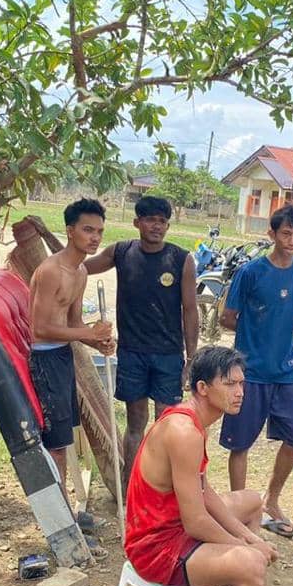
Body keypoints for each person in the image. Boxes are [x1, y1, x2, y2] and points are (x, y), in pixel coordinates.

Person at [125, 346, 281, 586]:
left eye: (241, 383)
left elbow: (202, 487)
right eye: (229, 383)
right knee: (251, 568)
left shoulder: (194, 421)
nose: (239, 391)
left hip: (174, 525)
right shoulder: (184, 431)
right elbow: (195, 521)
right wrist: (245, 547)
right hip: (155, 546)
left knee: (252, 503)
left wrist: (245, 535)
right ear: (202, 388)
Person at [85, 195, 199, 489]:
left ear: (168, 225)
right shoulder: (121, 252)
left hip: (168, 355)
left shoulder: (181, 259)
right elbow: (80, 266)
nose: (156, 226)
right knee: (135, 423)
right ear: (137, 222)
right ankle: (130, 486)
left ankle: (162, 487)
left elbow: (190, 310)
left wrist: (191, 357)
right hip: (132, 353)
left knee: (166, 423)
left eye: (161, 221)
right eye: (149, 219)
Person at [218, 205, 293, 540]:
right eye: (285, 233)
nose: (291, 240)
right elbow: (226, 317)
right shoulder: (251, 272)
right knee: (240, 444)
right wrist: (252, 339)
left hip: (286, 370)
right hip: (250, 371)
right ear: (272, 234)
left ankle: (271, 500)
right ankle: (242, 509)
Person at [29, 200, 116, 511]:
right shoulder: (52, 271)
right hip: (43, 360)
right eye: (88, 230)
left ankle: (63, 507)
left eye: (99, 232)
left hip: (63, 356)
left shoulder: (79, 272)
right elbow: (40, 328)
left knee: (64, 441)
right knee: (55, 444)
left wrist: (98, 342)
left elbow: (74, 324)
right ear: (70, 231)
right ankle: (59, 511)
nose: (95, 237)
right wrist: (88, 334)